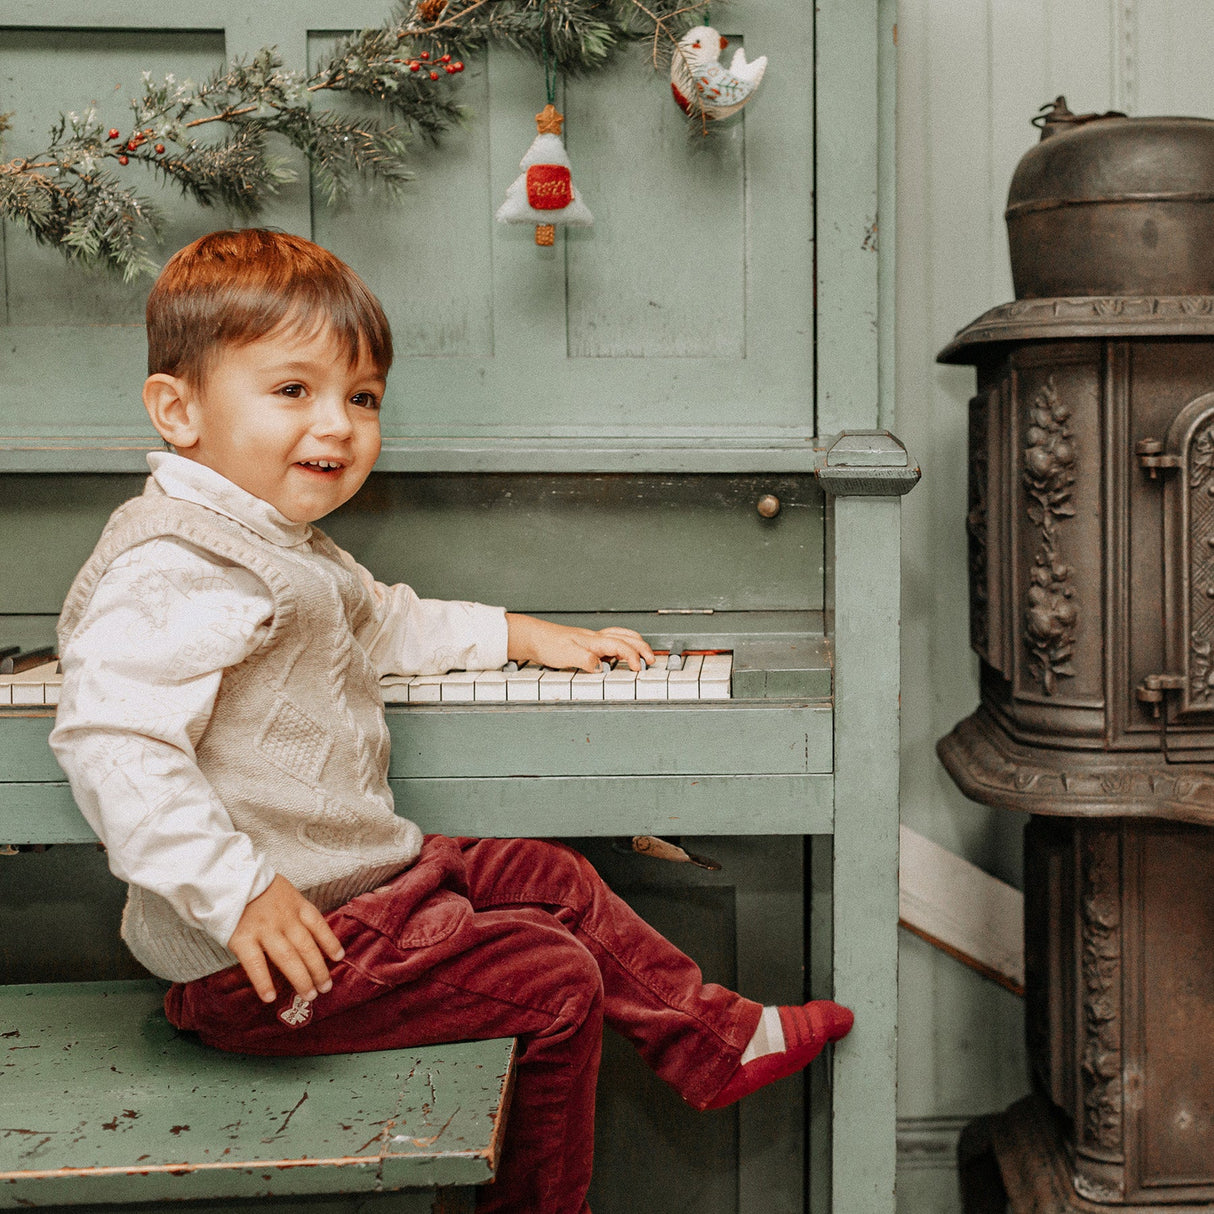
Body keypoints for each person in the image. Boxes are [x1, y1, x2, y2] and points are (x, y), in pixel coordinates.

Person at [49, 228, 853, 1214]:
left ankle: (710, 1038)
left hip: (353, 894)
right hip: (267, 961)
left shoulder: (276, 537)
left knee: (544, 873)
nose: (338, 425)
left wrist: (527, 631)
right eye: (293, 390)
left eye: (362, 397)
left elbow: (385, 619)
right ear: (178, 409)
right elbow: (112, 740)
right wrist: (238, 891)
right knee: (555, 980)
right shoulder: (177, 561)